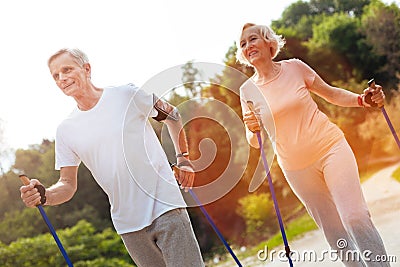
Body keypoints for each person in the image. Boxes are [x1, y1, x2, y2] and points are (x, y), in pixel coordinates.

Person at [19, 48, 204, 267]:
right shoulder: (66, 130)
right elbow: (67, 184)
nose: (62, 78)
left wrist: (183, 159)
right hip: (129, 225)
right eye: (56, 76)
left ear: (86, 69)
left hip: (166, 206)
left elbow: (172, 115)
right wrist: (45, 195)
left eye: (67, 70)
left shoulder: (127, 94)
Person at [237, 23, 390, 266]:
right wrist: (250, 127)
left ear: (268, 42)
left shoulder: (295, 67)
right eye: (243, 44)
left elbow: (330, 93)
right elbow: (255, 141)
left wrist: (362, 100)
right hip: (296, 169)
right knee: (335, 234)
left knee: (354, 217)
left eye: (253, 39)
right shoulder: (247, 91)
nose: (248, 46)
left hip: (330, 147)